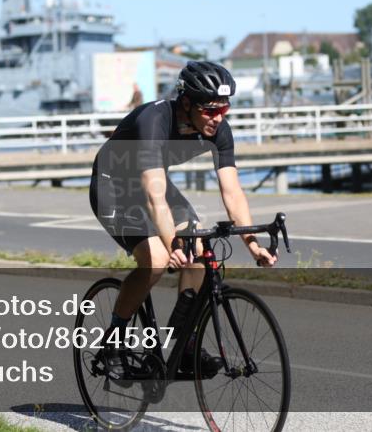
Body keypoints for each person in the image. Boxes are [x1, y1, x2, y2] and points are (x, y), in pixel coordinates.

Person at [89, 61, 277, 379]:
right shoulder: (154, 120)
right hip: (115, 187)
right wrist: (169, 242)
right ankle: (113, 342)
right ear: (186, 102)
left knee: (199, 252)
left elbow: (232, 191)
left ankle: (184, 345)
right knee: (158, 259)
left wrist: (253, 245)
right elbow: (153, 196)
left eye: (224, 109)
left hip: (155, 183)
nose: (218, 118)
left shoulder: (219, 129)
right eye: (209, 110)